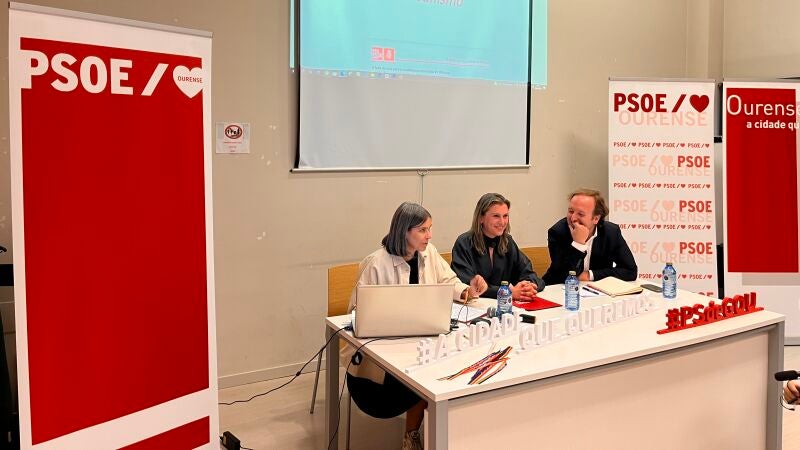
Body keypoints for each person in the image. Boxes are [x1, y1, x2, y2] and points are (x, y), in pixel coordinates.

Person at [341, 202, 487, 450]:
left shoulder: (429, 253)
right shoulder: (375, 263)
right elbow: (357, 313)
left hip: (420, 341)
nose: (429, 235)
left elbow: (448, 280)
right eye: (423, 230)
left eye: (430, 229)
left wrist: (467, 290)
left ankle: (415, 435)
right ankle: (414, 432)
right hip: (380, 362)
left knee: (445, 368)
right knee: (428, 378)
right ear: (404, 231)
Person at [451, 193, 545, 301]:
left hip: (505, 306)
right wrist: (508, 293)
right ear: (481, 218)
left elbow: (529, 273)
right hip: (475, 306)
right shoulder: (464, 243)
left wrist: (528, 287)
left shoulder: (507, 241)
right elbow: (467, 286)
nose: (502, 222)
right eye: (496, 216)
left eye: (505, 216)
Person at [542, 188, 637, 285]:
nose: (573, 218)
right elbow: (564, 275)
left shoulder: (611, 232)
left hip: (596, 290)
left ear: (596, 219)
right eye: (571, 211)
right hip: (558, 289)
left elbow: (630, 271)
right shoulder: (557, 232)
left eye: (580, 214)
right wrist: (578, 245)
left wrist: (590, 275)